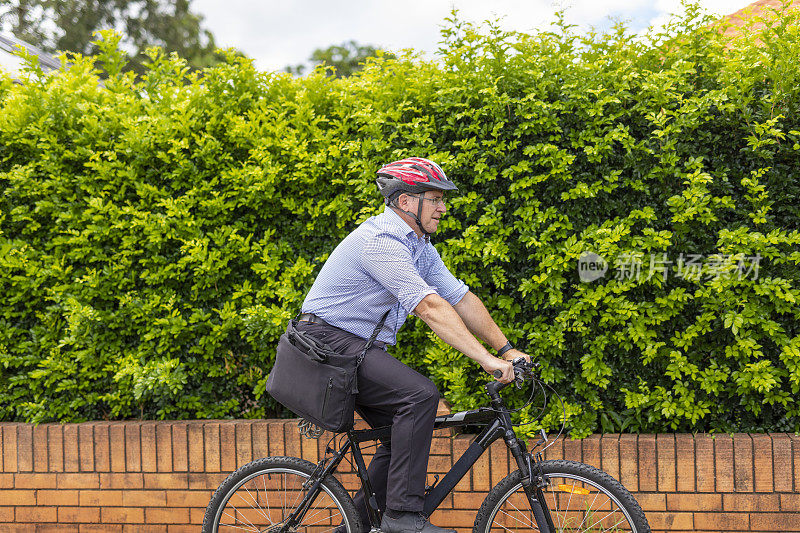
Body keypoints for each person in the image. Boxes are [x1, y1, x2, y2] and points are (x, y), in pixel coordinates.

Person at [299, 157, 530, 533]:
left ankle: (355, 525)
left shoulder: (419, 246)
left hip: (354, 348)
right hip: (326, 345)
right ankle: (402, 517)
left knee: (397, 436)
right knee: (420, 396)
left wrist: (506, 350)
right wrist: (485, 360)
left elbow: (459, 298)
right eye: (435, 199)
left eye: (442, 200)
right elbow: (428, 306)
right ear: (406, 202)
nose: (443, 208)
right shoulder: (380, 241)